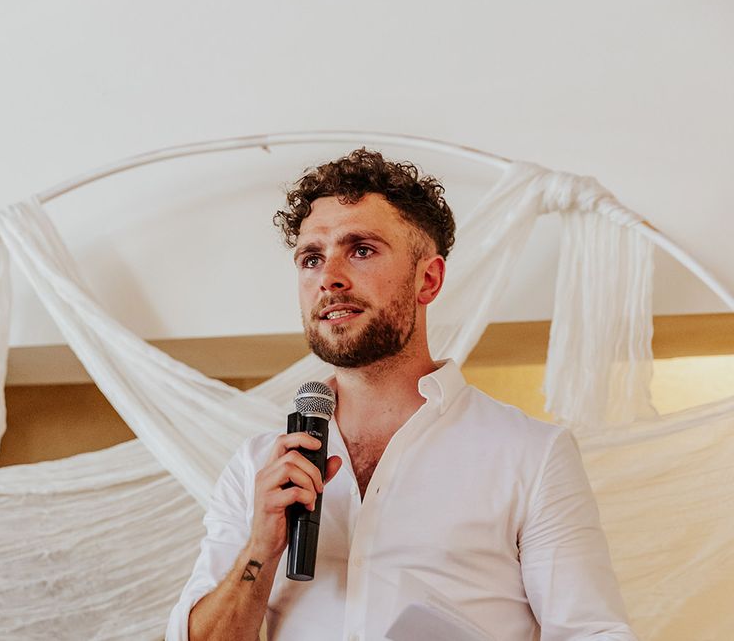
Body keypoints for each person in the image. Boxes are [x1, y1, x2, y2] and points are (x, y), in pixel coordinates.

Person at [166, 149, 636, 641]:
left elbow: (593, 632)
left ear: (427, 279)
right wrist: (261, 546)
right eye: (312, 258)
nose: (329, 278)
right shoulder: (257, 467)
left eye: (361, 249)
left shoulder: (531, 455)